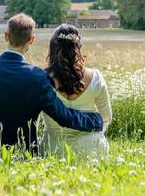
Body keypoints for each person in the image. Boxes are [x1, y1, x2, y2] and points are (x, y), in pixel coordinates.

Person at [0, 14, 103, 151]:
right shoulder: (37, 77)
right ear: (31, 40)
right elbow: (63, 116)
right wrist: (96, 119)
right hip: (22, 152)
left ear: (6, 36)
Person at [39, 25, 112, 161]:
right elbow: (106, 118)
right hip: (91, 148)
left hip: (54, 149)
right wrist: (93, 138)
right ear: (78, 47)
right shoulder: (95, 77)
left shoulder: (42, 79)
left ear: (52, 48)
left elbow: (32, 120)